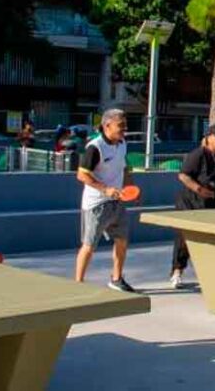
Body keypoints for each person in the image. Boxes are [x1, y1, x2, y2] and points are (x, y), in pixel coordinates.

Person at [170, 124, 215, 288]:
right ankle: (177, 272)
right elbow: (183, 175)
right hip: (190, 203)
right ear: (208, 138)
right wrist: (199, 189)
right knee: (185, 238)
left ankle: (214, 273)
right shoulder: (198, 154)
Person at [75, 109, 136, 292]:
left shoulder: (122, 143)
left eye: (125, 125)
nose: (124, 129)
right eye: (121, 126)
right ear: (107, 125)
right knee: (89, 246)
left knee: (122, 240)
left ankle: (116, 279)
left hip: (117, 202)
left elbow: (123, 168)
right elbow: (82, 175)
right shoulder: (95, 147)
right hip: (96, 205)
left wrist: (131, 188)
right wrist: (105, 189)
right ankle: (77, 284)